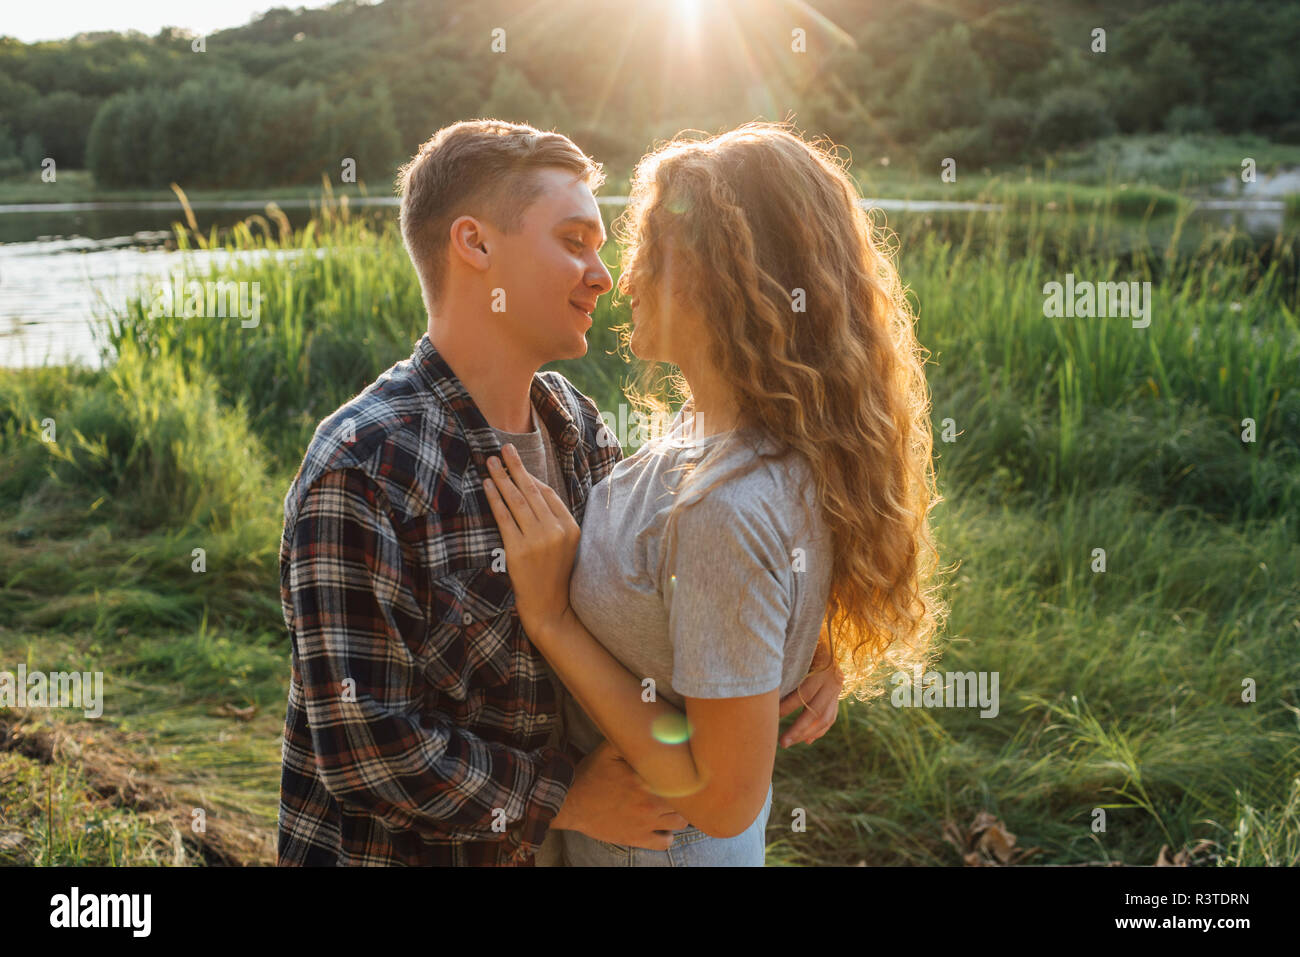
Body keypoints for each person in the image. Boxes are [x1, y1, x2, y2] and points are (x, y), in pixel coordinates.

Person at [276, 119, 843, 866]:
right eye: (575, 242)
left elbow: (650, 597)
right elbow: (362, 743)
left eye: (602, 248)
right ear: (475, 245)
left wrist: (807, 642)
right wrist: (564, 800)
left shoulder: (574, 424)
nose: (605, 276)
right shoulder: (366, 467)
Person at [483, 121, 946, 865]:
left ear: (722, 276)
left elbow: (726, 799)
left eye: (652, 254)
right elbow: (750, 598)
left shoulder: (720, 506)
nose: (623, 278)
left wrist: (553, 617)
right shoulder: (754, 444)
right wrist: (805, 657)